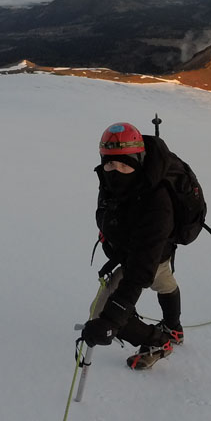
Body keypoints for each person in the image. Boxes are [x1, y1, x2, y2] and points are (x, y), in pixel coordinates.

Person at [79, 122, 184, 370]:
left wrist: (113, 316)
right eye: (110, 163)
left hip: (144, 258)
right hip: (151, 254)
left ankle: (158, 342)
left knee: (100, 311)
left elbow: (140, 271)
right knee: (165, 282)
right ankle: (174, 328)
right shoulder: (111, 183)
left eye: (124, 164)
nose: (115, 170)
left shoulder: (157, 201)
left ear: (138, 160)